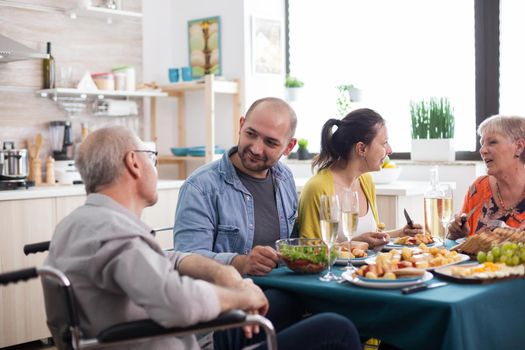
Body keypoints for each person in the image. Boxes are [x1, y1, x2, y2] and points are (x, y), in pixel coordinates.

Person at [44, 126, 361, 350]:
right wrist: (240, 298)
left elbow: (172, 258)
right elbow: (176, 302)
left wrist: (231, 276)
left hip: (181, 333)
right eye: (152, 157)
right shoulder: (115, 231)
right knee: (337, 327)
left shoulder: (79, 223)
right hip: (182, 339)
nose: (155, 166)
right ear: (133, 163)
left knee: (286, 302)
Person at [174, 97, 298, 276]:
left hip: (283, 288)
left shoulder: (285, 178)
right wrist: (241, 263)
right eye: (251, 134)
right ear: (241, 126)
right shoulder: (200, 187)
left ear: (289, 146)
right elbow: (186, 260)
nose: (256, 149)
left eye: (270, 142)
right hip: (228, 295)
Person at [298, 108, 423, 248]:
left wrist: (401, 233)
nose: (389, 150)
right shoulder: (317, 188)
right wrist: (353, 244)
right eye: (384, 143)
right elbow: (308, 251)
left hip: (367, 268)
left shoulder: (366, 181)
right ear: (361, 149)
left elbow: (370, 237)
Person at [448, 115, 525, 239]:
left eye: (492, 142)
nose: (482, 150)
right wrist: (457, 235)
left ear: (519, 147)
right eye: (482, 143)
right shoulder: (478, 188)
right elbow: (459, 249)